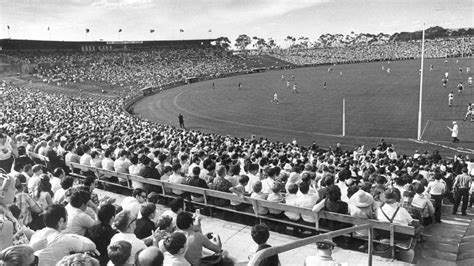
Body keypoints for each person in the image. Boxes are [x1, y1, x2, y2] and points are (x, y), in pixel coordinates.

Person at [30, 204, 97, 266]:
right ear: (61, 220)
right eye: (67, 215)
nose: (68, 218)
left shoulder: (36, 234)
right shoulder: (65, 240)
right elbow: (92, 246)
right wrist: (75, 236)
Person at [0, 173, 29, 250]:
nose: (16, 190)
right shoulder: (6, 223)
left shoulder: (6, 214)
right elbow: (6, 257)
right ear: (2, 194)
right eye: (13, 188)